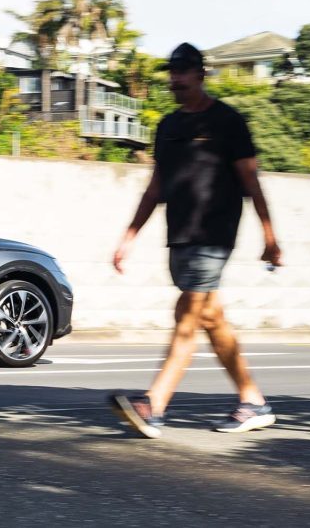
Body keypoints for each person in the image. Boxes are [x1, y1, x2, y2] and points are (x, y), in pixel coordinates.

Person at [109, 42, 282, 438]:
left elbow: (250, 180)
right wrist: (129, 236)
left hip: (215, 235)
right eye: (172, 71)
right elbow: (156, 187)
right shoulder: (169, 127)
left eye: (185, 70)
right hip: (180, 236)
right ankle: (253, 401)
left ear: (201, 74)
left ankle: (153, 405)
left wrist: (270, 237)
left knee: (186, 317)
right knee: (210, 318)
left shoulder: (228, 121)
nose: (177, 77)